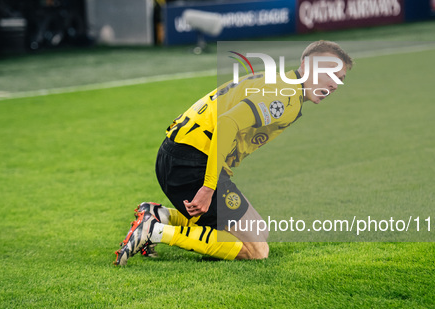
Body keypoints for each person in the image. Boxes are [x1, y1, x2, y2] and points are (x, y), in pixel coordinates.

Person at [114, 41, 354, 266]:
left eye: (340, 78)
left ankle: (159, 215)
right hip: (192, 161)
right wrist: (208, 188)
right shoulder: (285, 96)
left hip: (181, 152)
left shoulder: (280, 83)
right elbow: (227, 123)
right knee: (257, 251)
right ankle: (154, 231)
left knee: (259, 230)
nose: (334, 84)